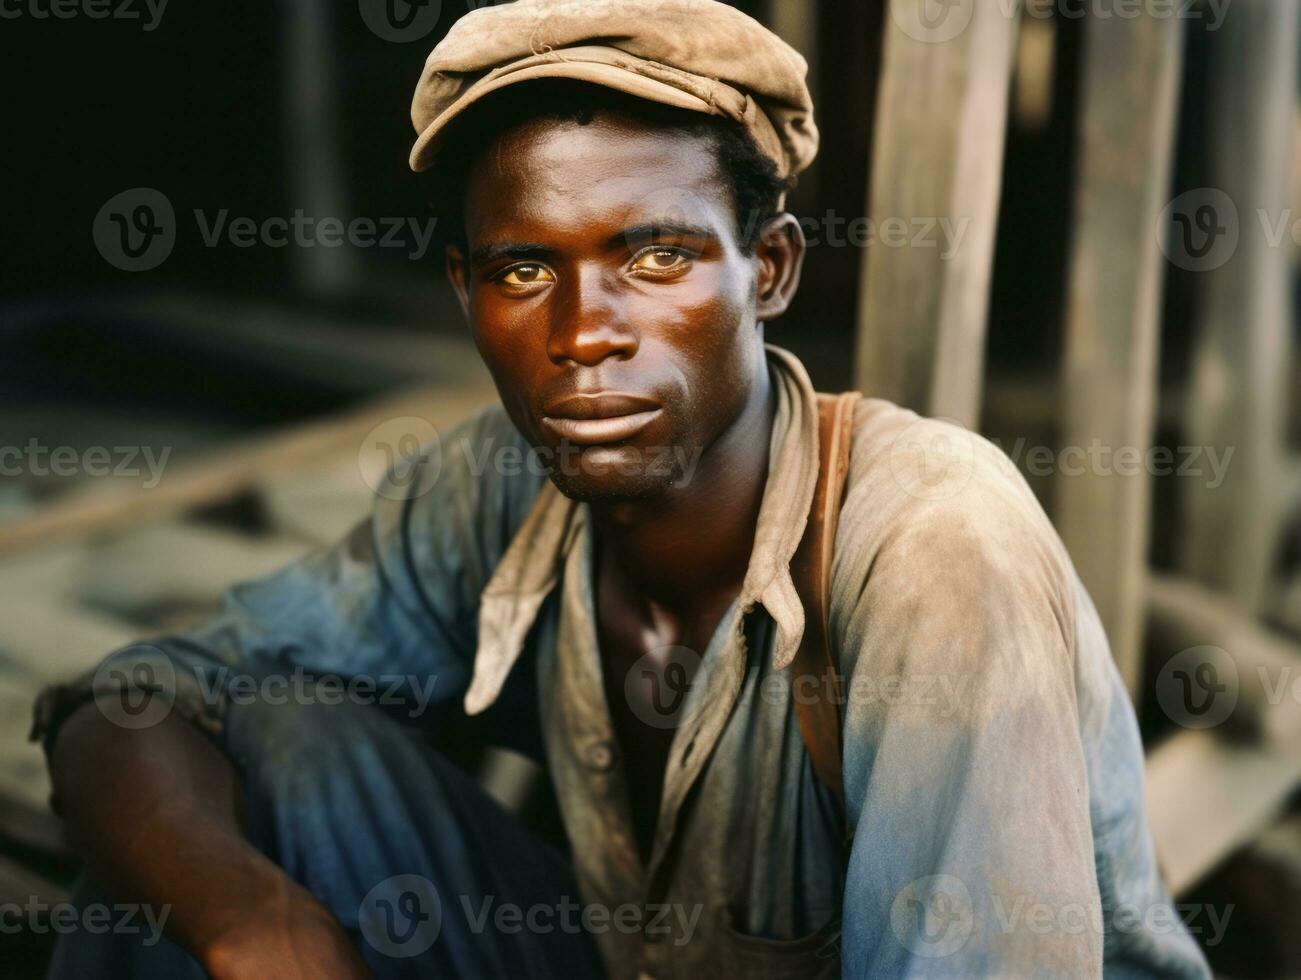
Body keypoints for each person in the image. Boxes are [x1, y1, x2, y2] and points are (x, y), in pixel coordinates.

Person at [35, 0, 1212, 977]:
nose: (584, 331)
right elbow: (130, 703)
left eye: (655, 257)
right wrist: (256, 924)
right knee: (246, 781)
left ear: (768, 269)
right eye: (523, 266)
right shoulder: (492, 493)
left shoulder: (934, 548)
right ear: (465, 289)